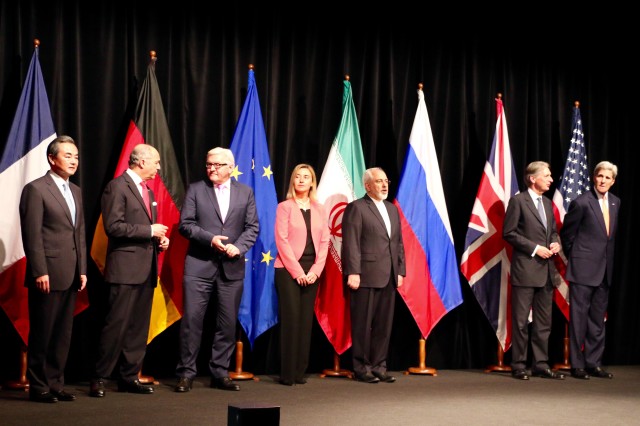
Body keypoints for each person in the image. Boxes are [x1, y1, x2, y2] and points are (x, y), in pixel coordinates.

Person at [174, 147, 258, 392]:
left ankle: (220, 372)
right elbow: (185, 225)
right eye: (209, 164)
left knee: (227, 323)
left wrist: (239, 248)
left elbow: (252, 227)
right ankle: (186, 373)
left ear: (230, 167)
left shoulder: (246, 192)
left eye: (217, 165)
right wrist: (210, 238)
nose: (211, 168)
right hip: (199, 267)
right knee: (192, 322)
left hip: (231, 269)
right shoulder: (196, 190)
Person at [90, 143, 170, 397]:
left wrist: (158, 240)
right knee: (116, 325)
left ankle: (129, 376)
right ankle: (100, 378)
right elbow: (113, 227)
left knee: (138, 328)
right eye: (156, 162)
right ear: (140, 162)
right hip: (124, 270)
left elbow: (146, 228)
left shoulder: (149, 191)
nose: (159, 167)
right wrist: (149, 231)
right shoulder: (117, 187)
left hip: (146, 269)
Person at [19, 135, 87, 403]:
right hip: (47, 273)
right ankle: (38, 386)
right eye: (68, 155)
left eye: (77, 156)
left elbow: (78, 232)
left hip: (71, 273)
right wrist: (39, 270)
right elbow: (32, 234)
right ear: (52, 158)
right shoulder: (36, 189)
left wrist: (82, 269)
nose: (74, 161)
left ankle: (56, 382)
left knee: (62, 333)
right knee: (43, 331)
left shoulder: (77, 191)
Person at [341, 167, 405, 384]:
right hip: (365, 275)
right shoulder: (356, 208)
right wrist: (353, 272)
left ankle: (379, 366)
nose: (384, 185)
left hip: (389, 275)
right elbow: (351, 243)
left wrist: (401, 270)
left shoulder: (392, 209)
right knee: (362, 324)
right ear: (367, 186)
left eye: (386, 180)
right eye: (379, 181)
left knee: (383, 325)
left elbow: (397, 243)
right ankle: (361, 368)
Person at [503, 161, 563, 380]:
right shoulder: (518, 201)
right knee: (520, 322)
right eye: (546, 175)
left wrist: (556, 243)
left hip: (547, 273)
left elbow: (554, 232)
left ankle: (540, 364)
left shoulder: (547, 204)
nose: (550, 179)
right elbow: (508, 233)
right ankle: (518, 364)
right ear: (532, 178)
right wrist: (535, 248)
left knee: (544, 323)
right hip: (526, 271)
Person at [561, 161, 619, 380]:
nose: (603, 181)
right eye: (600, 176)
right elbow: (568, 235)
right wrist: (577, 259)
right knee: (578, 319)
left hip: (605, 271)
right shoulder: (581, 203)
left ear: (613, 181)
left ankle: (594, 363)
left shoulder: (616, 203)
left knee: (597, 320)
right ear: (594, 177)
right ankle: (578, 365)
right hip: (583, 271)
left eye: (607, 178)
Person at [274, 164, 330, 386]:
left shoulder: (319, 208)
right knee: (291, 320)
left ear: (311, 182)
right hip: (288, 270)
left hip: (312, 270)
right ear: (293, 181)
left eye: (306, 177)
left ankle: (300, 372)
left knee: (306, 322)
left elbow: (325, 242)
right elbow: (282, 240)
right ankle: (287, 374)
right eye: (297, 176)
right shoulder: (284, 207)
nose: (301, 180)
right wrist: (298, 272)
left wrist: (315, 271)